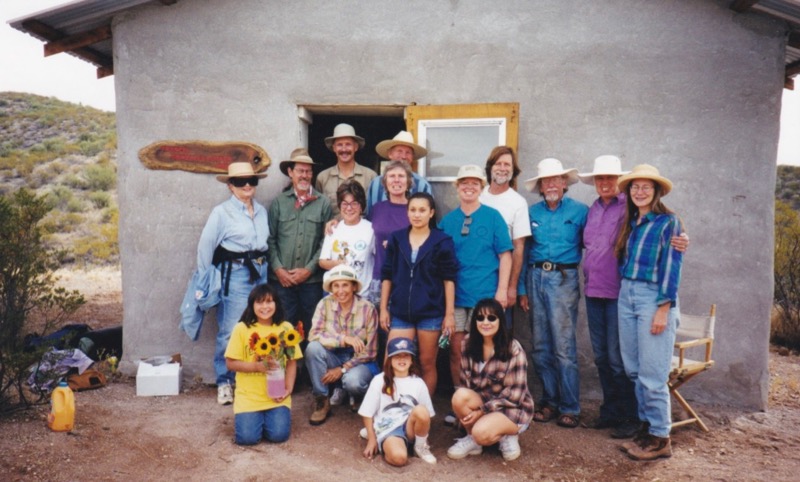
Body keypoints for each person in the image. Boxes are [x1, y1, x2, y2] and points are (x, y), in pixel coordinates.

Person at [578, 155, 689, 439]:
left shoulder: (630, 209)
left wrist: (683, 240)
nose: (604, 183)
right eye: (599, 178)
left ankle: (633, 418)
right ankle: (614, 412)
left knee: (621, 361)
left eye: (610, 178)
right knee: (606, 358)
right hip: (595, 291)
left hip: (623, 293)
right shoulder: (600, 211)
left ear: (619, 183)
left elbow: (669, 252)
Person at [614, 164, 684, 461]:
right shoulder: (632, 222)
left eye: (646, 187)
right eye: (634, 187)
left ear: (656, 191)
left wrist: (663, 308)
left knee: (653, 373)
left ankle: (660, 437)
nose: (639, 192)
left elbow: (672, 266)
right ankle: (647, 429)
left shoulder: (669, 223)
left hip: (653, 297)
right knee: (633, 368)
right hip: (627, 294)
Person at [440, 164, 512, 424]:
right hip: (456, 298)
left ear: (481, 187)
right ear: (457, 187)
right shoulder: (447, 221)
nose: (469, 187)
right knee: (457, 350)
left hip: (486, 297)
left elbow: (506, 254)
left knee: (486, 352)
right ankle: (460, 402)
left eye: (474, 183)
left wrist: (502, 290)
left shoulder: (493, 216)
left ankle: (485, 405)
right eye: (463, 183)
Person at [195, 162, 269, 405]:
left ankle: (253, 377)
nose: (247, 185)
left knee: (260, 326)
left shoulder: (261, 211)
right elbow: (205, 247)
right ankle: (224, 381)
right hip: (234, 274)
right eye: (240, 181)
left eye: (251, 180)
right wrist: (206, 281)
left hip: (260, 272)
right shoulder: (221, 213)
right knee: (230, 329)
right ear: (230, 186)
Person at [523, 158, 588, 429]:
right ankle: (549, 401)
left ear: (564, 183)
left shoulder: (581, 211)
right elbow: (523, 251)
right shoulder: (531, 213)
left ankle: (570, 407)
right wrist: (520, 289)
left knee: (563, 346)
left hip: (564, 278)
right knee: (540, 346)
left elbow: (597, 243)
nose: (551, 184)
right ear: (540, 186)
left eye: (555, 179)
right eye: (545, 181)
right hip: (535, 276)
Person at [380, 192, 458, 395]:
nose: (417, 214)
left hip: (430, 313)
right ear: (407, 212)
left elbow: (448, 279)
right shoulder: (396, 239)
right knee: (392, 360)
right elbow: (387, 274)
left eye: (422, 210)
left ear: (431, 213)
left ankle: (424, 413)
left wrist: (449, 315)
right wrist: (383, 308)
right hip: (400, 313)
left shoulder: (442, 241)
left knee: (426, 363)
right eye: (413, 210)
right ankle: (392, 410)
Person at [446, 299, 534, 462]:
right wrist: (469, 414)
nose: (485, 322)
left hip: (511, 408)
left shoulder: (513, 349)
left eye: (491, 318)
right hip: (485, 402)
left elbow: (515, 397)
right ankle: (474, 440)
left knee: (481, 433)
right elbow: (466, 385)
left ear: (500, 321)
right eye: (480, 318)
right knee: (459, 396)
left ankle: (508, 435)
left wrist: (481, 411)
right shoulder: (467, 343)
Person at [224, 284, 302, 445]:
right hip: (249, 396)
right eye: (259, 302)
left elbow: (292, 362)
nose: (265, 307)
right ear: (252, 305)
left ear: (277, 304)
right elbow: (230, 363)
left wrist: (289, 388)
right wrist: (256, 367)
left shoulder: (286, 328)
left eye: (269, 301)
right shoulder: (242, 328)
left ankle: (268, 418)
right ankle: (254, 419)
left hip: (277, 395)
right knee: (247, 438)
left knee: (279, 436)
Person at [306, 264, 379, 425]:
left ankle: (360, 396)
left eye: (345, 285)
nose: (340, 291)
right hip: (334, 355)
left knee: (353, 382)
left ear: (354, 287)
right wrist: (343, 339)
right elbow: (313, 335)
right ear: (331, 288)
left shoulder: (368, 309)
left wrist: (342, 369)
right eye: (336, 286)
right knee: (313, 349)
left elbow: (371, 352)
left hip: (360, 361)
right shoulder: (324, 304)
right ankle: (322, 400)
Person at [268, 148, 332, 331]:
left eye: (308, 171)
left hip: (311, 282)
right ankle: (286, 361)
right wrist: (279, 270)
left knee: (312, 327)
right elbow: (270, 239)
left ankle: (306, 361)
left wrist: (308, 269)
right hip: (281, 281)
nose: (304, 175)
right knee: (283, 328)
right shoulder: (279, 202)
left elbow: (326, 242)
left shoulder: (323, 203)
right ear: (290, 173)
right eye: (300, 171)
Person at [359, 337, 437, 466]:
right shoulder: (379, 380)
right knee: (399, 458)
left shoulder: (418, 382)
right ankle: (376, 433)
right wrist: (372, 440)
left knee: (422, 410)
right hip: (389, 427)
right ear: (390, 359)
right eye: (397, 356)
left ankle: (420, 447)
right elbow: (367, 412)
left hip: (410, 427)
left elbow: (427, 416)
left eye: (406, 356)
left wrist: (422, 436)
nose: (402, 359)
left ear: (412, 360)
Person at [479, 146, 532, 320]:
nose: (502, 168)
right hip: (475, 278)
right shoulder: (478, 196)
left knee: (500, 332)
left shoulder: (518, 202)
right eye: (498, 164)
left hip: (501, 281)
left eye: (507, 165)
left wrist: (512, 287)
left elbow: (519, 247)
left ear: (513, 170)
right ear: (490, 167)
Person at [368, 161, 415, 304]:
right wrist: (334, 223)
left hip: (408, 278)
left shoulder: (416, 208)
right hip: (380, 277)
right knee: (379, 324)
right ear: (385, 182)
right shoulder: (377, 209)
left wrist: (399, 244)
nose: (396, 180)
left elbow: (427, 240)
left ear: (408, 182)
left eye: (401, 176)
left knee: (403, 324)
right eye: (391, 176)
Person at [318, 181, 375, 299]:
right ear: (339, 206)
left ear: (361, 205)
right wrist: (338, 264)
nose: (349, 208)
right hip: (335, 294)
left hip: (362, 295)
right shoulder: (333, 228)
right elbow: (322, 261)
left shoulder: (371, 229)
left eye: (354, 203)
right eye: (345, 204)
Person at [315, 123, 377, 216]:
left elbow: (376, 211)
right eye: (339, 145)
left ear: (355, 147)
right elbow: (319, 212)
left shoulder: (370, 176)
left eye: (348, 144)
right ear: (334, 148)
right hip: (333, 230)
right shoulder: (322, 178)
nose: (344, 149)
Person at [366, 131, 433, 215]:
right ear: (390, 154)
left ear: (412, 157)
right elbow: (369, 215)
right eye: (399, 151)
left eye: (408, 152)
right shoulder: (375, 183)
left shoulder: (423, 185)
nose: (404, 156)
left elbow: (429, 218)